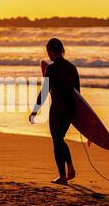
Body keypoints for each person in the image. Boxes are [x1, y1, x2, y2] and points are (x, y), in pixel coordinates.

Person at [29, 38, 80, 186]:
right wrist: (80, 119)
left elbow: (44, 92)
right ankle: (70, 168)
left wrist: (35, 111)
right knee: (60, 139)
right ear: (62, 51)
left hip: (58, 109)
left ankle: (63, 176)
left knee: (57, 140)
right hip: (70, 109)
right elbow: (78, 94)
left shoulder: (52, 69)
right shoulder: (72, 68)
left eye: (48, 52)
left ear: (51, 52)